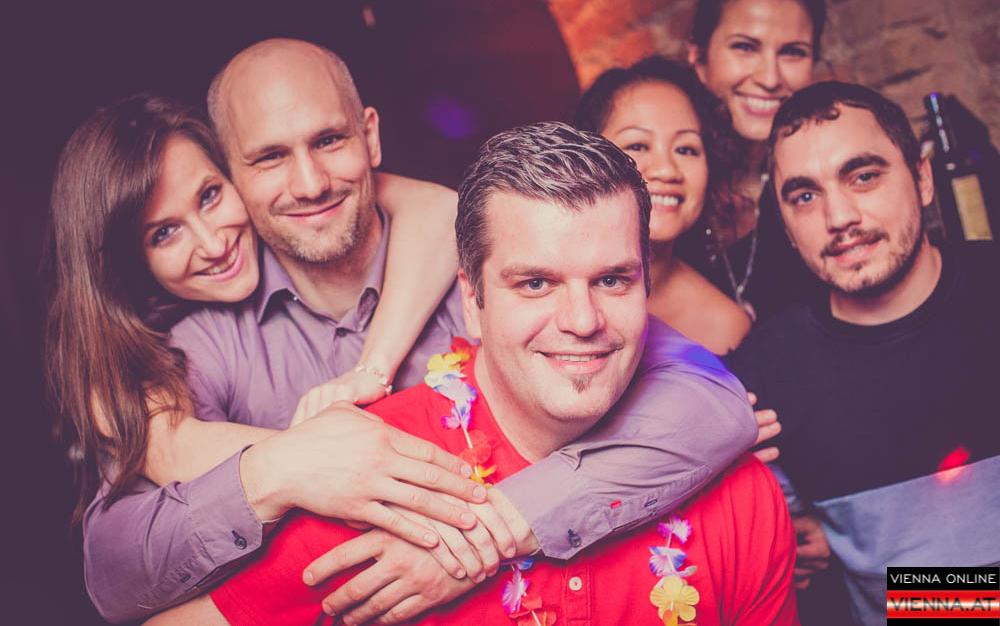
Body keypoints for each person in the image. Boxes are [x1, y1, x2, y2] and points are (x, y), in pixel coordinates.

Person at [80, 40, 758, 622]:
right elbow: (113, 569)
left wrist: (493, 529)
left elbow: (708, 399)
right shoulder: (201, 347)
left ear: (369, 137)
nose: (309, 182)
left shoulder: (500, 272)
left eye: (329, 141)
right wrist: (282, 468)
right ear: (234, 173)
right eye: (269, 158)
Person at [45, 91, 490, 611]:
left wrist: (371, 369)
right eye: (164, 233)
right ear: (129, 262)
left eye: (210, 195)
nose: (213, 244)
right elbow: (113, 572)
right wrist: (282, 469)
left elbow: (436, 209)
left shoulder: (427, 247)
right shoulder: (166, 359)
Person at [725, 81, 1000, 624]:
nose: (839, 217)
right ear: (787, 226)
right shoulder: (764, 378)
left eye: (864, 176)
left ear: (922, 178)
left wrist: (948, 600)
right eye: (805, 196)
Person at [575, 55, 750, 355]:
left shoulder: (727, 326)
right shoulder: (537, 282)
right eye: (638, 145)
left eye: (686, 149)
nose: (667, 170)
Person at [686, 0, 824, 321]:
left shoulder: (823, 181)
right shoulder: (664, 181)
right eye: (745, 47)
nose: (770, 78)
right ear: (698, 58)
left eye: (793, 52)